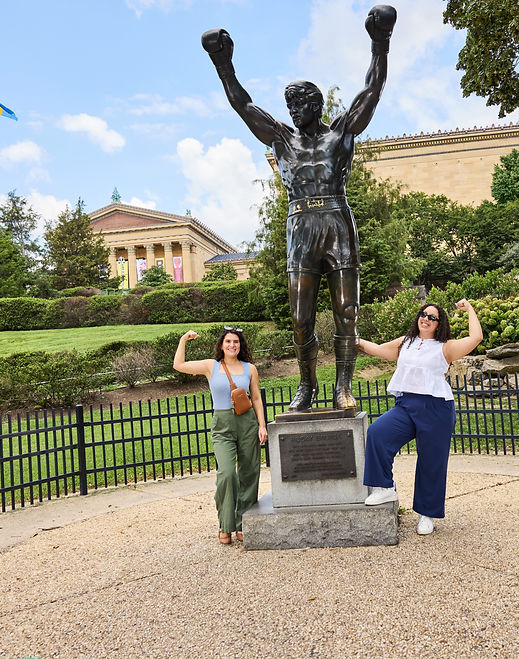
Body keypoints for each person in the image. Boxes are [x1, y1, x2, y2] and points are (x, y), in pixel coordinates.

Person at [201, 5, 397, 412]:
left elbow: (371, 91)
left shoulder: (341, 132)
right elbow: (244, 106)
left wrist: (380, 42)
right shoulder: (282, 139)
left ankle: (344, 386)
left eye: (299, 104)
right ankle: (306, 386)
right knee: (300, 316)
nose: (292, 111)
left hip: (337, 221)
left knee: (346, 310)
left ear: (316, 104)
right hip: (300, 226)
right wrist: (223, 63)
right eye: (288, 105)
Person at [358, 299, 483, 535]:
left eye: (432, 317)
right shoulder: (406, 342)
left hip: (436, 409)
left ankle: (427, 514)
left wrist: (470, 310)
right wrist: (351, 337)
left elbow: (475, 338)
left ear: (439, 323)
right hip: (406, 405)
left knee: (431, 462)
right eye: (423, 314)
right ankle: (385, 487)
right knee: (377, 433)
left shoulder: (445, 347)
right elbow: (377, 348)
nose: (426, 318)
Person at [173, 327, 269, 545]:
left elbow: (255, 398)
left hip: (247, 423)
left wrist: (262, 425)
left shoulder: (250, 368)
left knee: (249, 472)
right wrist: (183, 340)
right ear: (221, 345)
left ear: (241, 345)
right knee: (227, 473)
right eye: (228, 341)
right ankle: (225, 523)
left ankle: (242, 522)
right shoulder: (211, 366)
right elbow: (178, 366)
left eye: (236, 342)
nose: (232, 345)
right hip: (222, 425)